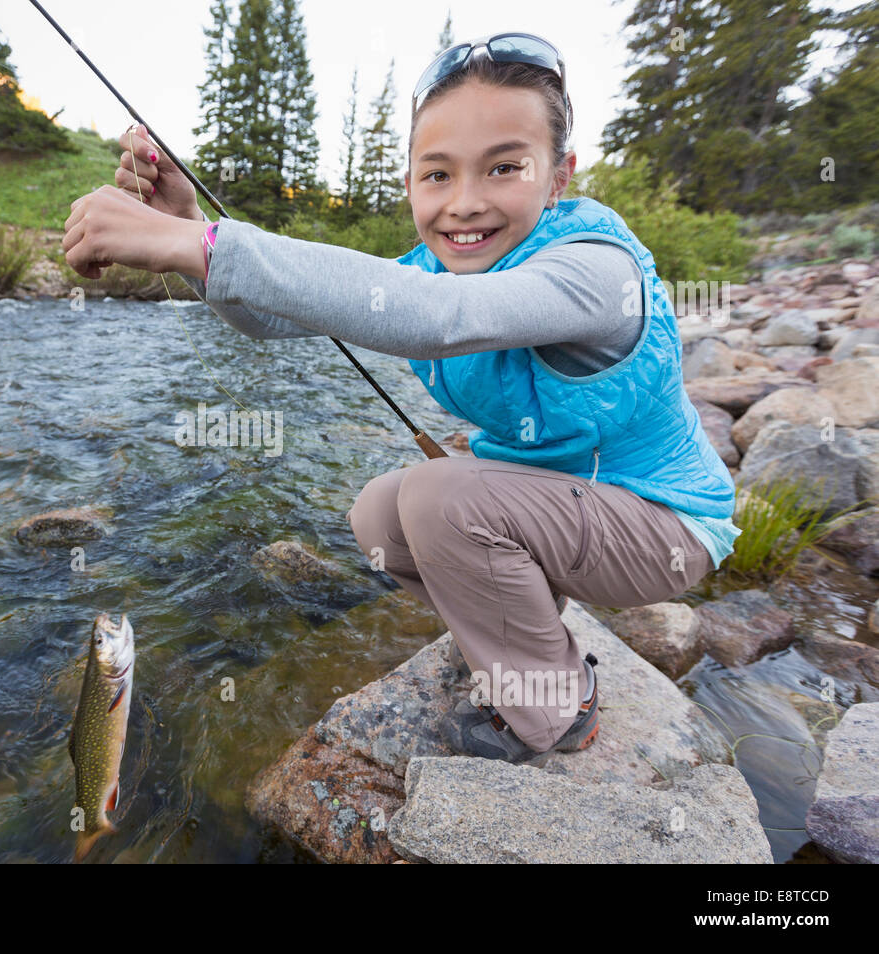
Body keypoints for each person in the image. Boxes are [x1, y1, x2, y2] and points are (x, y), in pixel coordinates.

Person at [60, 31, 741, 763]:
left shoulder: (594, 269)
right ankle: (532, 636)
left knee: (439, 497)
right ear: (411, 184)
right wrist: (189, 229)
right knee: (379, 517)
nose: (466, 202)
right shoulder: (430, 267)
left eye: (505, 167)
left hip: (666, 526)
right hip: (570, 508)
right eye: (437, 175)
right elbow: (270, 317)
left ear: (560, 175)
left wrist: (193, 247)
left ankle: (555, 710)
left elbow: (438, 315)